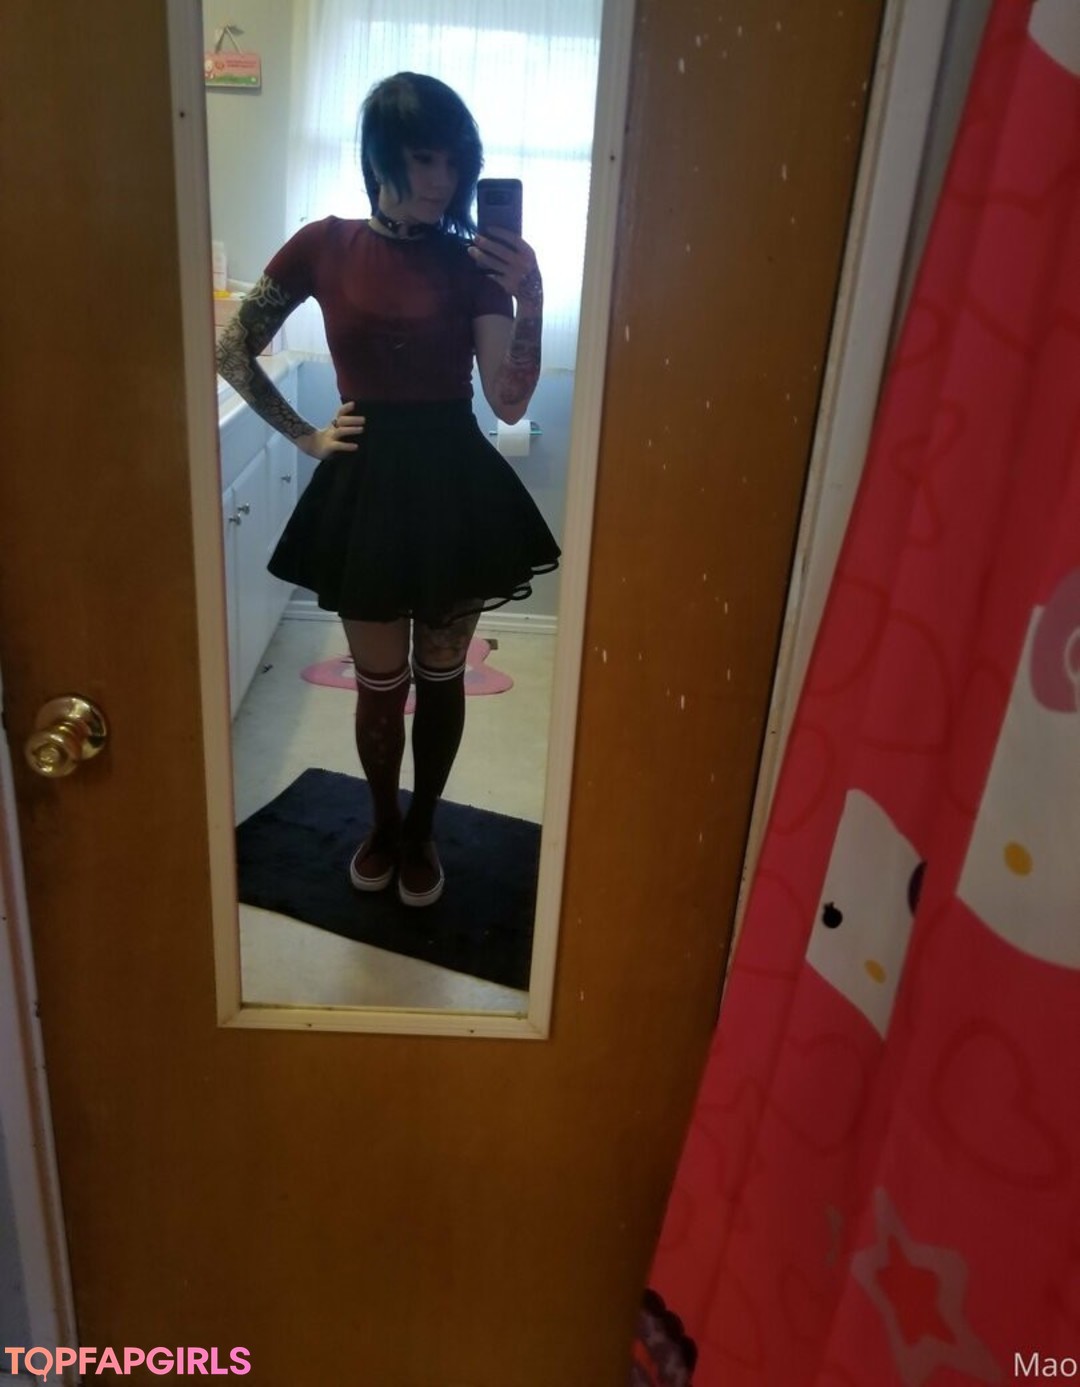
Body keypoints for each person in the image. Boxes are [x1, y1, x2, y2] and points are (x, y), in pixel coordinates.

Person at [216, 71, 559, 909]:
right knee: (379, 683)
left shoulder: (474, 261)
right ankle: (380, 822)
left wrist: (531, 294)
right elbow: (232, 347)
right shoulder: (323, 244)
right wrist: (304, 433)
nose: (443, 178)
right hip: (364, 489)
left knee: (440, 677)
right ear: (380, 157)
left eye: (455, 160)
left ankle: (424, 828)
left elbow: (508, 400)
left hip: (455, 486)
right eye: (424, 158)